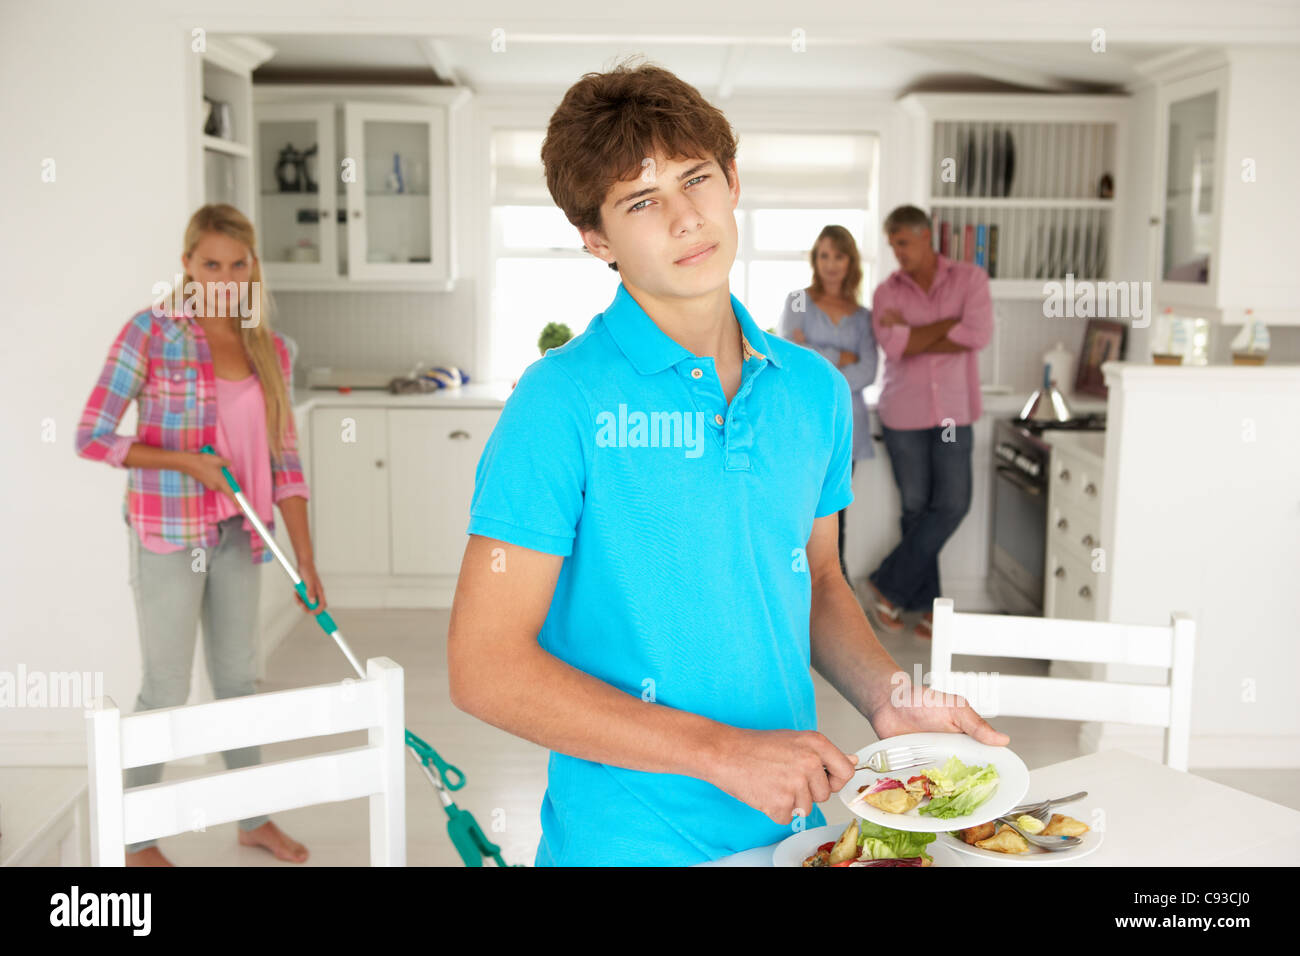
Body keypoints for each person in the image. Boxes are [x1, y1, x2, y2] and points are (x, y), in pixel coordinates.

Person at [447, 60, 1008, 866]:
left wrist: (891, 698)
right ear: (596, 238)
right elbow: (483, 666)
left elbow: (816, 582)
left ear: (733, 181)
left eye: (695, 179)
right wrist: (719, 752)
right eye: (642, 201)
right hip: (625, 845)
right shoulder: (556, 404)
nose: (685, 219)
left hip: (797, 832)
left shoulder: (812, 392)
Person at [75, 203, 323, 866]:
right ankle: (133, 837)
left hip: (242, 535)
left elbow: (286, 463)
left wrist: (307, 562)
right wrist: (186, 461)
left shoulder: (270, 349)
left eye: (238, 265)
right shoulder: (151, 334)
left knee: (239, 679)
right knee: (164, 686)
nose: (225, 277)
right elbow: (92, 436)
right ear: (186, 265)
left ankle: (252, 819)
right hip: (167, 529)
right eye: (210, 264)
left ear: (252, 269)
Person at [865, 205, 994, 639]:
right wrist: (947, 327)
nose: (896, 252)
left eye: (902, 242)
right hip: (903, 412)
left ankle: (887, 585)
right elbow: (896, 347)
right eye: (892, 244)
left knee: (953, 504)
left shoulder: (969, 279)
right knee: (915, 510)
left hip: (954, 413)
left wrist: (917, 331)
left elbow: (977, 335)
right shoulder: (886, 292)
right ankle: (929, 613)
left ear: (924, 236)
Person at [778, 226, 877, 584]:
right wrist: (840, 356)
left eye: (839, 255)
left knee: (836, 516)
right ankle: (796, 592)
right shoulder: (798, 302)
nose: (831, 264)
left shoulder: (864, 316)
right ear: (815, 261)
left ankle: (836, 589)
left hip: (849, 428)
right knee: (800, 512)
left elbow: (868, 370)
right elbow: (792, 360)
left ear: (850, 261)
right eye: (824, 256)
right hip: (804, 422)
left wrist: (818, 354)